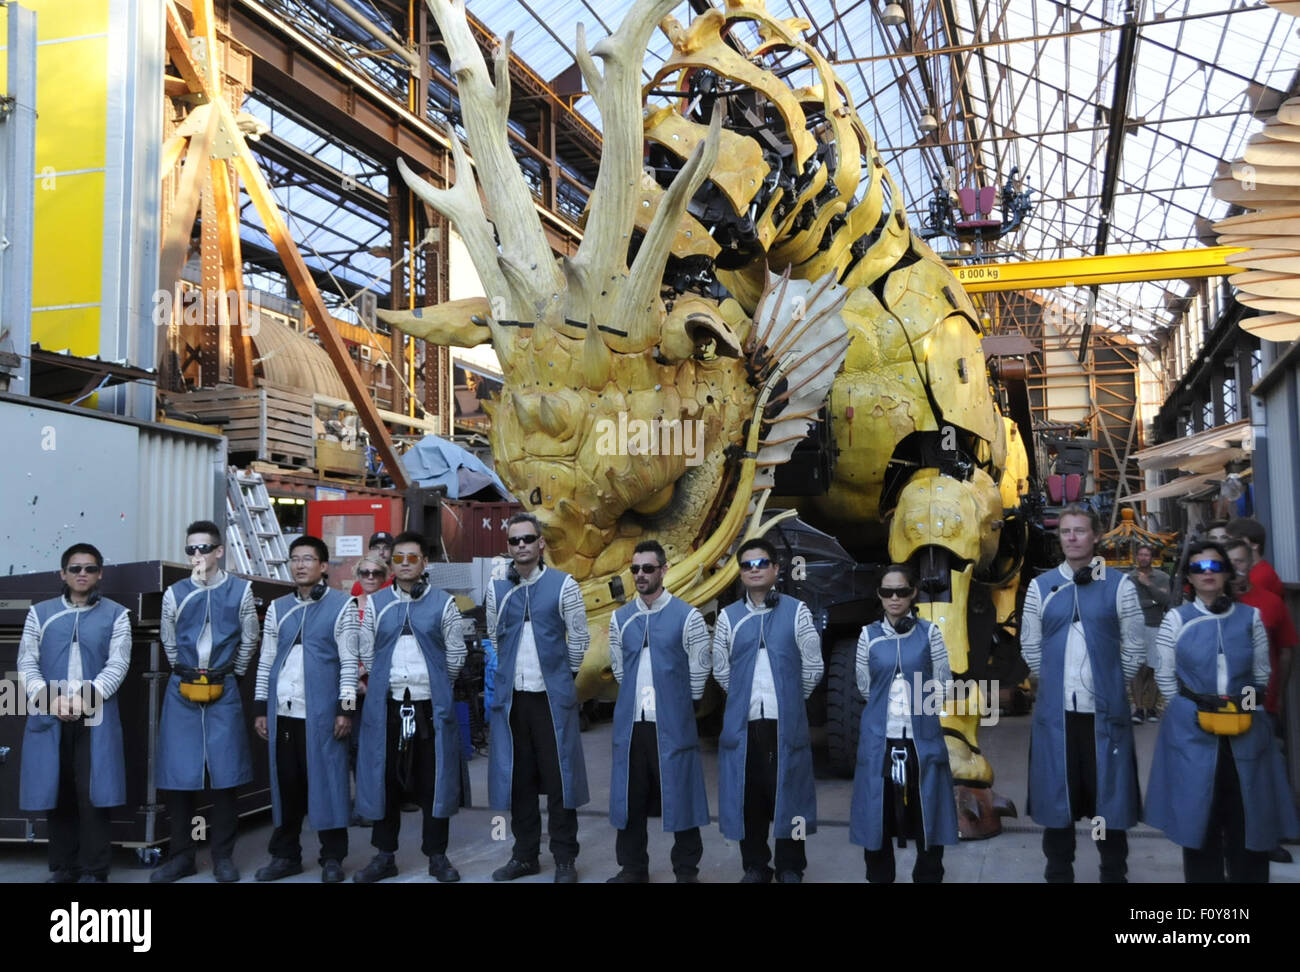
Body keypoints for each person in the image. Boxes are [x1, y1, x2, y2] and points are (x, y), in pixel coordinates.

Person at [1146, 540, 1299, 882]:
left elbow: (1262, 676)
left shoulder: (1251, 618)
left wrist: (1240, 711)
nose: (1208, 574)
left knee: (1249, 822)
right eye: (1199, 568)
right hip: (1192, 736)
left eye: (1216, 566)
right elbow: (1165, 676)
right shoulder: (1176, 619)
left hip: (1247, 736)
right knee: (1200, 823)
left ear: (1228, 572)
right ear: (1189, 576)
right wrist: (1190, 710)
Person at [1021, 505, 1145, 883]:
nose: (1071, 537)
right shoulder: (1040, 587)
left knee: (1107, 802)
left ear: (1096, 537)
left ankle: (1112, 872)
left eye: (1079, 531)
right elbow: (1030, 646)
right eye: (1065, 532)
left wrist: (1109, 684)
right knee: (1059, 801)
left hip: (1104, 717)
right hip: (1057, 719)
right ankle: (1059, 872)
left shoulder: (1119, 584)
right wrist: (1056, 681)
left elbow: (1135, 646)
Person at [353, 532, 467, 883]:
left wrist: (431, 684)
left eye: (412, 558)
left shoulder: (444, 603)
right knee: (385, 779)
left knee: (433, 780)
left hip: (429, 708)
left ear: (424, 563)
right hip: (386, 707)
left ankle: (437, 856)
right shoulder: (376, 603)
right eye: (398, 558)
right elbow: (365, 651)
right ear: (392, 564)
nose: (404, 564)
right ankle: (384, 855)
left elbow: (456, 654)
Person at [151, 521, 259, 883]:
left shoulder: (240, 591)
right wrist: (184, 670)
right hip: (182, 688)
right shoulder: (175, 593)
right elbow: (168, 640)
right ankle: (182, 855)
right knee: (181, 777)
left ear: (219, 551)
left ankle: (222, 856)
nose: (196, 555)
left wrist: (232, 675)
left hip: (223, 686)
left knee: (225, 775)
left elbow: (249, 639)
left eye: (202, 548)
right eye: (190, 549)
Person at [486, 513, 590, 883]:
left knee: (560, 779)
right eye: (514, 541)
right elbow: (495, 637)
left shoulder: (564, 586)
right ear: (508, 546)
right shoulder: (498, 588)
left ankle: (564, 858)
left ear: (541, 543)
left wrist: (565, 678)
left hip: (551, 699)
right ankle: (524, 855)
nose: (521, 546)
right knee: (520, 780)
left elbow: (579, 639)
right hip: (514, 700)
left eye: (528, 539)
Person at [18, 543, 131, 883]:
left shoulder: (117, 614)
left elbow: (119, 663)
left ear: (100, 574)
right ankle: (64, 867)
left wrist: (86, 699)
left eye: (90, 568)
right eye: (76, 568)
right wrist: (49, 699)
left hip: (95, 715)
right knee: (59, 789)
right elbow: (26, 661)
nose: (83, 574)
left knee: (94, 793)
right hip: (50, 714)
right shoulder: (40, 613)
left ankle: (96, 870)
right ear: (63, 573)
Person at [713, 538, 823, 883]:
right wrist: (744, 695)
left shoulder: (797, 611)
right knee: (748, 800)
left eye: (762, 564)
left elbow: (813, 666)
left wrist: (790, 698)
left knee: (795, 799)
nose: (755, 570)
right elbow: (721, 669)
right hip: (745, 726)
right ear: (741, 573)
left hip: (785, 724)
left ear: (776, 569)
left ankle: (792, 866)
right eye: (747, 565)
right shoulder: (728, 617)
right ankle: (755, 865)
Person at [252, 535, 359, 883]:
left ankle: (332, 857)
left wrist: (346, 709)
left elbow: (348, 662)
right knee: (287, 786)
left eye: (308, 559)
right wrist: (260, 707)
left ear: (323, 566)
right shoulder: (278, 608)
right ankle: (286, 856)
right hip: (283, 712)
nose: (300, 565)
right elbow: (267, 659)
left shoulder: (342, 605)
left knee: (328, 783)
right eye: (294, 559)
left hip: (324, 716)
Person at [606, 540, 711, 883]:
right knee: (630, 800)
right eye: (635, 569)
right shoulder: (620, 618)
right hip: (632, 726)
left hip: (673, 723)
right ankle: (633, 869)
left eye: (648, 568)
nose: (640, 575)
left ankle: (686, 871)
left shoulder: (688, 616)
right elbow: (620, 670)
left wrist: (682, 707)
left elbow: (699, 669)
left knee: (682, 796)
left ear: (664, 570)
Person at [849, 564, 958, 883]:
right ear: (879, 595)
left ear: (913, 593)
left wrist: (921, 716)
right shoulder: (867, 636)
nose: (894, 598)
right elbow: (864, 686)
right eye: (887, 592)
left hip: (921, 741)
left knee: (928, 816)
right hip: (880, 741)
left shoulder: (930, 633)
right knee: (877, 817)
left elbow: (943, 683)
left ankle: (928, 875)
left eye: (901, 591)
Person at [1226, 536, 1298, 864]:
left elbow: (1285, 651)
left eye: (1241, 561)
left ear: (1251, 562)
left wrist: (1277, 695)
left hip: (1260, 704)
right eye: (1230, 562)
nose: (1236, 568)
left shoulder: (1270, 602)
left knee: (1264, 775)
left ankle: (1267, 837)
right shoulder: (1210, 604)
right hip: (1220, 708)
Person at [1127, 543, 1171, 724]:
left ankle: (1151, 707)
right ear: (1136, 557)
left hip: (1156, 626)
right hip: (1135, 629)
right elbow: (1129, 603)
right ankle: (1138, 709)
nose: (1144, 558)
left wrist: (1148, 585)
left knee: (1154, 668)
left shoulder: (1162, 577)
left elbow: (1166, 600)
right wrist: (1152, 600)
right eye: (1141, 554)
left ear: (1152, 558)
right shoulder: (1129, 579)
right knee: (1137, 669)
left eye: (1147, 555)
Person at [1226, 517, 1285, 600]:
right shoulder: (1257, 570)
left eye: (1237, 541)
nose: (1231, 545)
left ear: (1254, 545)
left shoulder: (1261, 575)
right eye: (1229, 540)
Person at [350, 534, 394, 599]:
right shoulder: (360, 584)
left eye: (386, 548)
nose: (381, 552)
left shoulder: (399, 581)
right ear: (370, 551)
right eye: (376, 548)